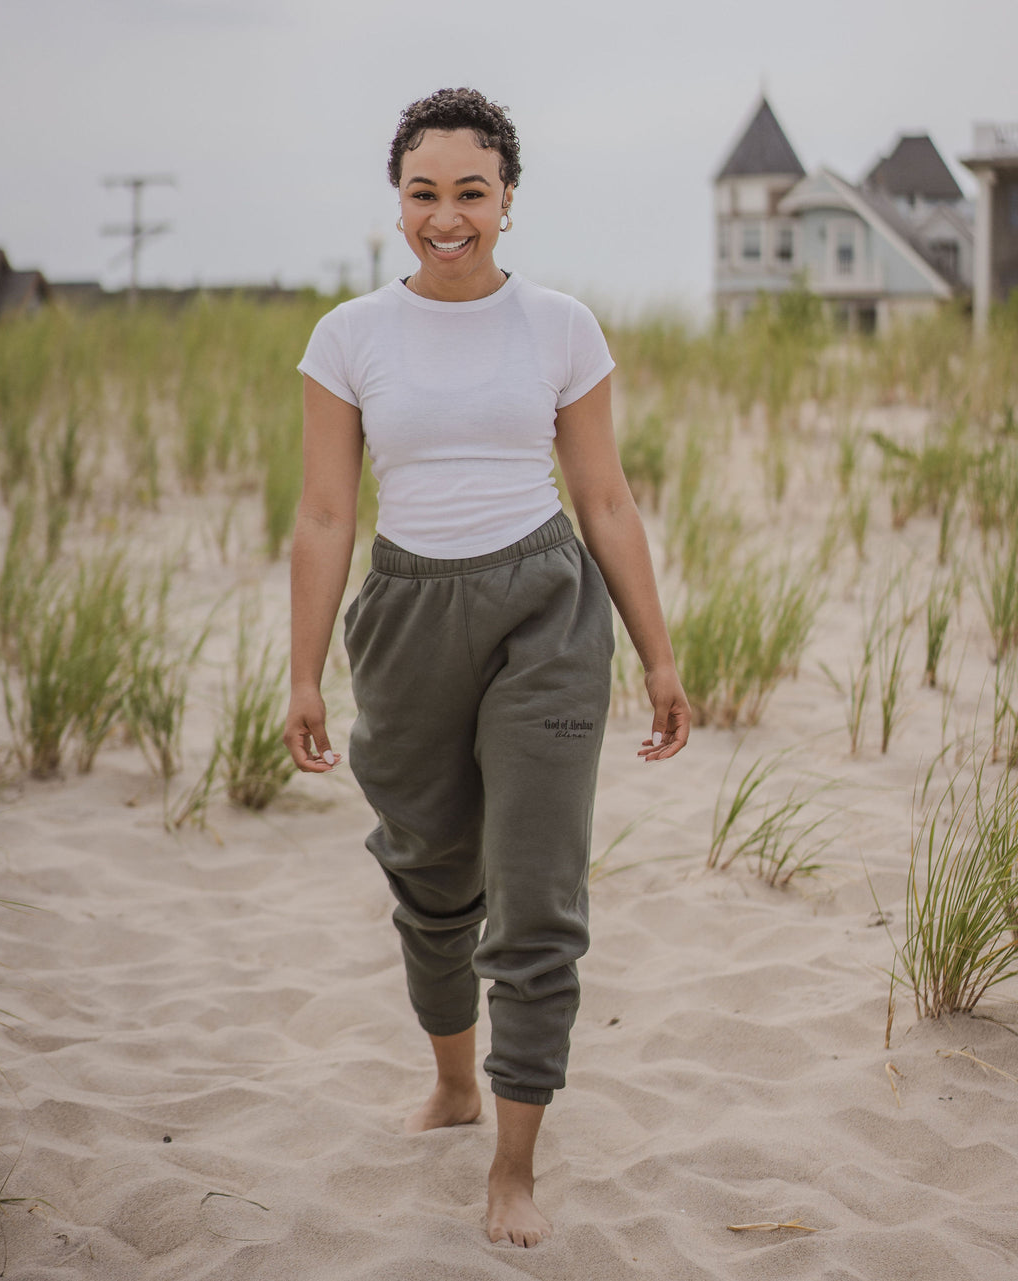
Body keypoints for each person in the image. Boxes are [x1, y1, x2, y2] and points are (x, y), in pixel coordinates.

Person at [283, 87, 691, 1248]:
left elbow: (604, 497)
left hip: (546, 611)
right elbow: (323, 515)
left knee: (536, 896)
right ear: (398, 201)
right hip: (406, 615)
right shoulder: (349, 336)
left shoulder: (560, 326)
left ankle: (513, 1167)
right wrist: (304, 673)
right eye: (425, 193)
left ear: (508, 199)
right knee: (429, 874)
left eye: (472, 191)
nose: (447, 215)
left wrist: (658, 655)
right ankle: (454, 1084)